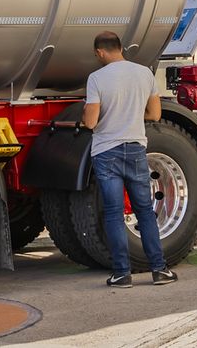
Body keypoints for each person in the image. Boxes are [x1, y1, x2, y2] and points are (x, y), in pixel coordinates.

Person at [82, 30, 178, 287]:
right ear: (121, 48)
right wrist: (133, 115)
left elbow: (90, 121)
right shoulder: (144, 73)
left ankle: (122, 274)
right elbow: (155, 114)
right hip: (135, 148)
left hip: (106, 151)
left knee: (114, 213)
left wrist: (86, 116)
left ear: (100, 52)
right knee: (144, 211)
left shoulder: (96, 78)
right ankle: (159, 269)